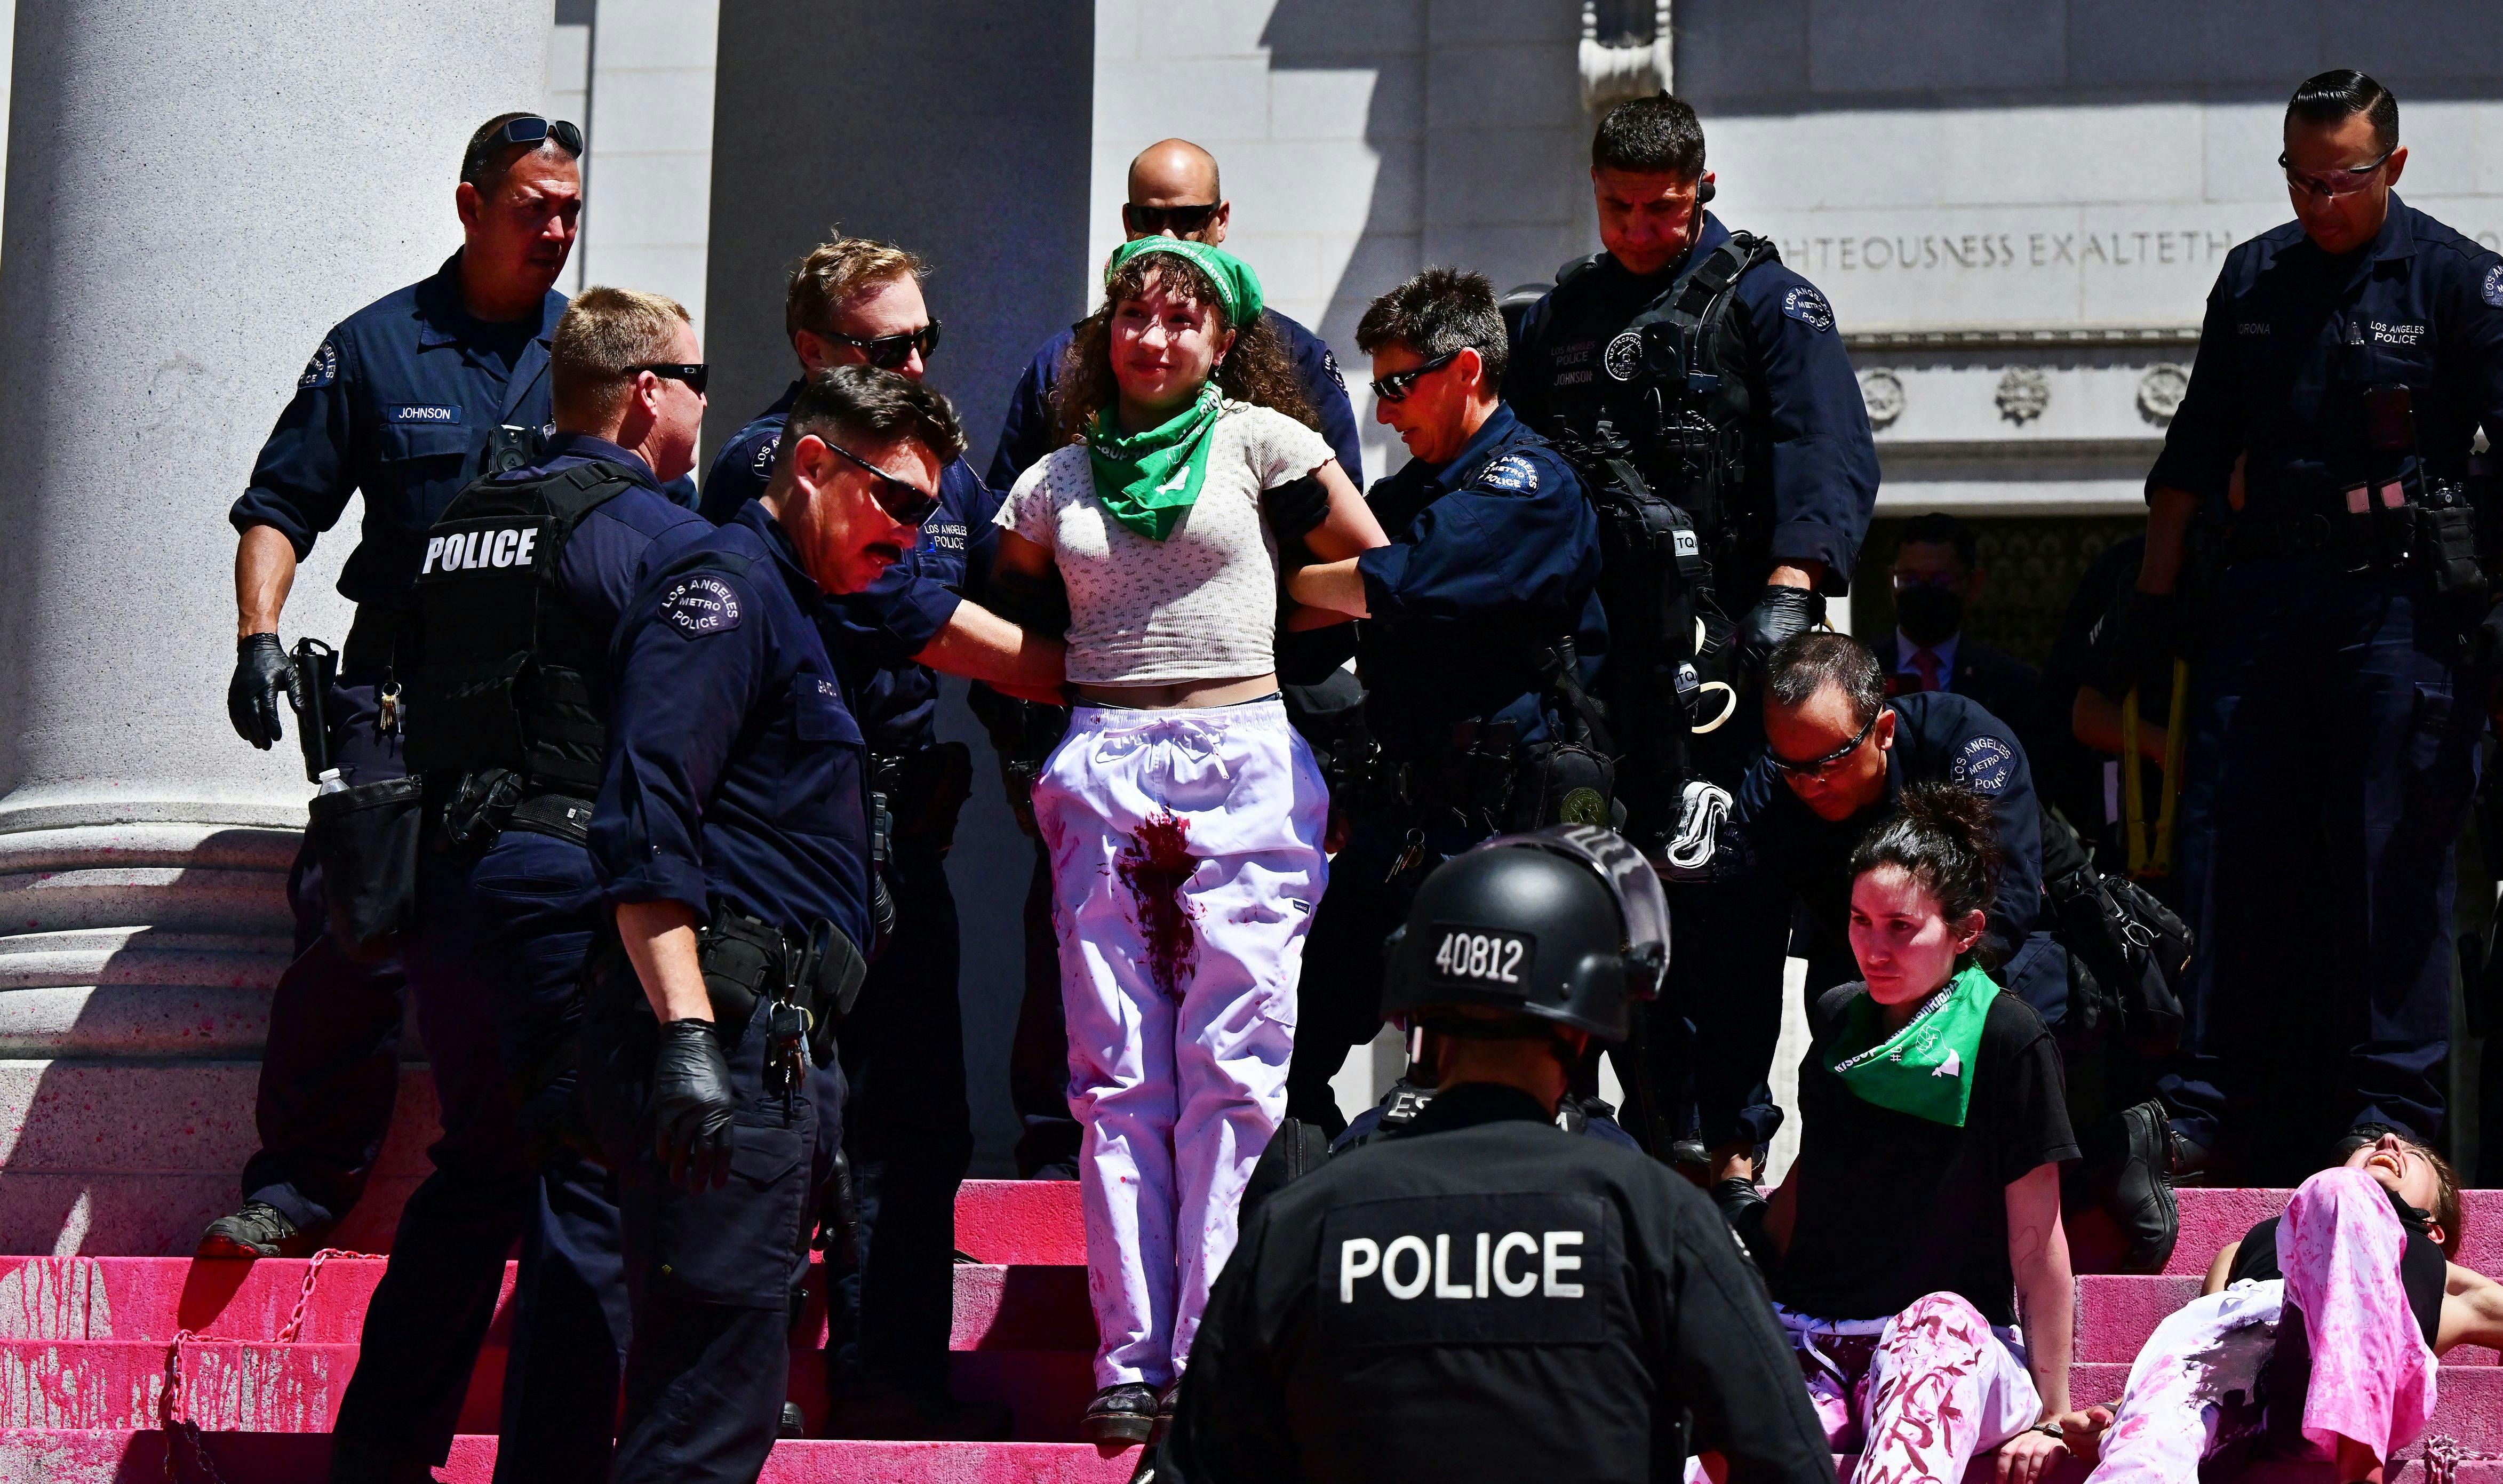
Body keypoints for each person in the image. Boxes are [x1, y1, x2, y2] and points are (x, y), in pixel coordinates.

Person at [990, 235, 1385, 1442]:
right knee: (1116, 1076)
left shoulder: (1272, 445)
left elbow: (1376, 573)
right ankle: (1128, 1354)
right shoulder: (1049, 481)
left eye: (1181, 319)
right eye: (1134, 317)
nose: (1153, 339)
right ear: (1107, 333)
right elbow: (1001, 619)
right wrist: (1047, 747)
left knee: (1237, 1068)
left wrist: (1266, 589)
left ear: (1223, 339)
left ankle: (1208, 1347)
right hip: (1105, 761)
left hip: (1246, 756)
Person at [325, 287, 710, 1483]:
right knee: (583, 1177)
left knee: (478, 1164)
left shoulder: (467, 515)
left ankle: (378, 1457)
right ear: (647, 390)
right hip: (563, 879)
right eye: (694, 377)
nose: (706, 399)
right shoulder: (647, 532)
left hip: (447, 880)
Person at [1159, 825, 1835, 1484]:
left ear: (1413, 996)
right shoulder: (1658, 1219)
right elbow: (1782, 1458)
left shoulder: (1301, 1224)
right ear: (1590, 1019)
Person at [2103, 70, 2503, 1182]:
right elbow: (2190, 455)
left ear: (2396, 167)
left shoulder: (2458, 280)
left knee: (2393, 861)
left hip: (2402, 608)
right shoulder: (2255, 280)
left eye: (2345, 180)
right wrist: (2153, 603)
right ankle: (2203, 1103)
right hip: (2267, 604)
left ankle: (2392, 1111)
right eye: (2302, 178)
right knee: (2230, 852)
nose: (2321, 201)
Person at [699, 233, 1060, 1441]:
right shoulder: (773, 460)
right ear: (814, 352)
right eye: (885, 345)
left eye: (924, 341)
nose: (914, 362)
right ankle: (773, 1376)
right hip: (793, 832)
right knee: (807, 1110)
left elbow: (1002, 591)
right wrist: (1101, 679)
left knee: (921, 1116)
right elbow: (905, 610)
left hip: (908, 824)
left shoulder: (940, 462)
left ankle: (892, 1375)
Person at [580, 365, 964, 1484]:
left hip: (781, 1046)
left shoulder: (805, 607)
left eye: (929, 514)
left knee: (728, 1395)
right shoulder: (727, 589)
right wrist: (690, 1038)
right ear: (811, 464)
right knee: (703, 1413)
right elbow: (648, 816)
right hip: (725, 1032)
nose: (911, 531)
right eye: (896, 498)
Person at [209, 112, 584, 1258]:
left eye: (571, 209)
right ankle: (299, 1186)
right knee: (355, 920)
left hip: (539, 703)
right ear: (471, 206)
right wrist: (258, 635)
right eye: (535, 208)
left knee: (538, 937)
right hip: (399, 690)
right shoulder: (373, 346)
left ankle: (538, 1190)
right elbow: (281, 506)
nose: (558, 231)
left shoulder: (594, 350)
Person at [1504, 91, 1879, 1175]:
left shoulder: (1767, 300)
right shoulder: (1560, 316)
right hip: (1595, 662)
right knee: (1595, 892)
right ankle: (1617, 1128)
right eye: (1620, 208)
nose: (1640, 230)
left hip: (1724, 655)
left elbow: (1829, 449)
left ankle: (1728, 1141)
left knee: (1722, 901)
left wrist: (1790, 586)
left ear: (1702, 189)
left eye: (1663, 210)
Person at [990, 135, 1367, 1183]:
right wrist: (1031, 744)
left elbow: (1354, 567)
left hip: (1253, 733)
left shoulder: (1288, 370)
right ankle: (1062, 1150)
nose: (1166, 242)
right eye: (1146, 220)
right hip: (1102, 738)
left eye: (1187, 221)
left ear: (1223, 224)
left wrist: (1294, 709)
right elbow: (1007, 580)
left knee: (1245, 1009)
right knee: (1100, 1010)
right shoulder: (1062, 370)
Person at [1272, 267, 1607, 1132]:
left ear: (1464, 369)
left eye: (1395, 384)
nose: (1382, 411)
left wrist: (1297, 582)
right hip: (1406, 815)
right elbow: (1318, 631)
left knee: (1504, 1055)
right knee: (1294, 1034)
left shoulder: (1526, 485)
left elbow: (1408, 579)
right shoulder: (1407, 494)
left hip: (1508, 832)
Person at [1734, 632, 2177, 1269]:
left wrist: (1907, 1024)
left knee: (2005, 1018)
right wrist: (1735, 1150)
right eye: (1790, 765)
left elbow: (2008, 909)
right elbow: (1739, 966)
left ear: (1882, 729)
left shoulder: (1968, 745)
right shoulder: (1775, 790)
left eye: (1828, 762)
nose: (1808, 784)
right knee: (1834, 1026)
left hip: (2016, 957)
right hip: (1869, 964)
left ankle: (2108, 1147)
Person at [1718, 785, 2079, 1484]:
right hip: (1816, 1335)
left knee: (1932, 1331)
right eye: (1859, 921)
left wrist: (2054, 1413)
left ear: (1967, 930)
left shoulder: (2008, 1035)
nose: (1873, 949)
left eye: (1900, 927)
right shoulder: (1839, 1019)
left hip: (1949, 1345)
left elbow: (2038, 1242)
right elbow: (1812, 1180)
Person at [2061, 1128, 2503, 1484]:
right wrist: (2119, 1414)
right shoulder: (2244, 1248)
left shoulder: (2441, 1274)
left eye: (2413, 1154)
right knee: (2146, 1451)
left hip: (2333, 1391)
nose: (2385, 1143)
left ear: (2435, 1229)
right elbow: (2199, 1351)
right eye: (2370, 1144)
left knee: (2341, 1190)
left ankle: (2358, 1453)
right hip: (2238, 1381)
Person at [1879, 513, 2044, 736]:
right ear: (1892, 581)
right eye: (1910, 579)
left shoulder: (2011, 684)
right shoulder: (1857, 673)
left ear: (1973, 584)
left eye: (1942, 581)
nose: (1925, 592)